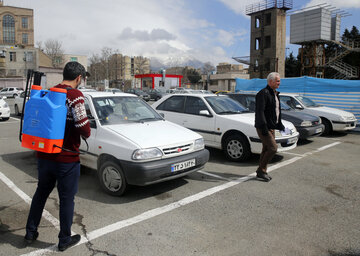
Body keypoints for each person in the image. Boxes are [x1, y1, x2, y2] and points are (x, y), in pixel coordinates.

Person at [24, 62, 91, 251]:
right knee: (66, 199)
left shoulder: (49, 92)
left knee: (41, 194)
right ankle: (64, 240)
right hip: (66, 160)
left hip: (44, 156)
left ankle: (30, 232)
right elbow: (84, 129)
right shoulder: (75, 96)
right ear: (79, 78)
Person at [254, 72, 285, 182]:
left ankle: (262, 171)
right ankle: (261, 171)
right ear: (270, 81)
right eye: (277, 81)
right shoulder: (263, 93)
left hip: (271, 127)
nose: (279, 83)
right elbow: (260, 112)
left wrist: (280, 124)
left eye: (279, 81)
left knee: (266, 148)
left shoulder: (275, 94)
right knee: (273, 148)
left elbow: (276, 112)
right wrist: (264, 127)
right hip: (264, 127)